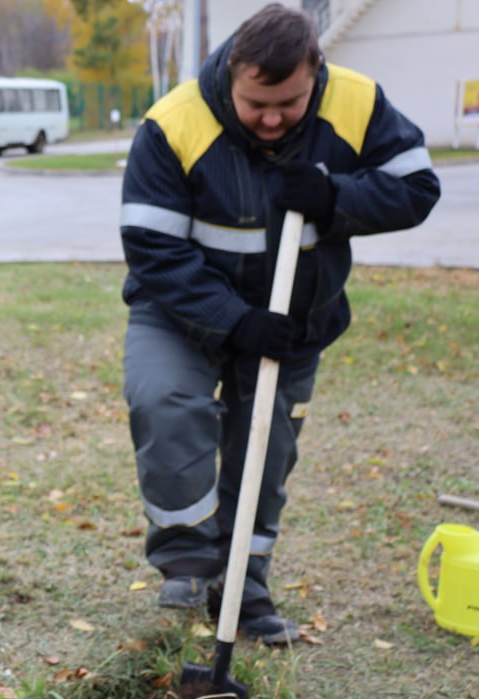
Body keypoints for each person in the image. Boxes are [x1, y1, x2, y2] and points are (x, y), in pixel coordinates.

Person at [119, 3, 439, 644]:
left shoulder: (357, 103)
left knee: (265, 453)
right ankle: (188, 564)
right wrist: (234, 321)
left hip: (295, 316)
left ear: (315, 71)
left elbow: (417, 189)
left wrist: (337, 197)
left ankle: (244, 588)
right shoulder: (174, 123)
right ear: (232, 72)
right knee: (164, 401)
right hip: (182, 311)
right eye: (255, 103)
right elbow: (152, 247)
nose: (271, 119)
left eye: (289, 104)